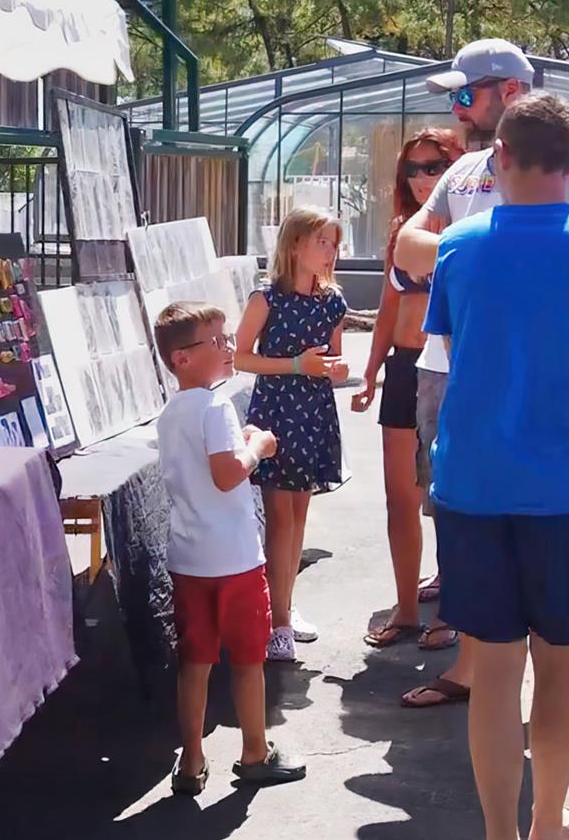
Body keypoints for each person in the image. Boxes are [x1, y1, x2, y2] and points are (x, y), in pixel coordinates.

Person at [427, 91, 569, 840]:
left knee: (492, 673)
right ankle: (549, 823)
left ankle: (499, 833)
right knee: (560, 667)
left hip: (474, 486)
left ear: (500, 159)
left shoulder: (457, 247)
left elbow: (459, 360)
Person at [390, 38, 569, 709]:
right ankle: (486, 661)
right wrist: (473, 251)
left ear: (509, 93)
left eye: (466, 93)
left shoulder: (555, 168)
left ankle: (557, 659)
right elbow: (405, 247)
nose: (457, 109)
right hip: (443, 370)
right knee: (460, 514)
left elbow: (526, 257)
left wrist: (452, 255)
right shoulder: (465, 175)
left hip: (514, 376)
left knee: (525, 522)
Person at [153, 301, 307, 794]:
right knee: (247, 659)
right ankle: (255, 750)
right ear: (182, 357)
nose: (228, 347)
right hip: (235, 559)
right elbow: (226, 475)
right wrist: (258, 446)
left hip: (189, 558)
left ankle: (192, 761)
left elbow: (205, 466)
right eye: (215, 341)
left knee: (194, 662)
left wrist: (238, 445)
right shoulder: (216, 404)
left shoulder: (170, 412)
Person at [350, 127, 465, 650]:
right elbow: (388, 307)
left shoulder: (472, 228)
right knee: (401, 498)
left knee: (450, 497)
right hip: (403, 365)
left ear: (457, 170)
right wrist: (371, 369)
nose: (421, 179)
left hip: (450, 369)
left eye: (433, 167)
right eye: (412, 169)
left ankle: (453, 612)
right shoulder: (403, 231)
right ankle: (405, 608)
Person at [234, 205, 349, 662]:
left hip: (314, 411)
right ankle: (276, 620)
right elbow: (240, 357)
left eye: (334, 243)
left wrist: (334, 370)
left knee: (299, 518)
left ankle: (282, 606)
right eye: (322, 241)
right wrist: (296, 365)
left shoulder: (333, 301)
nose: (330, 251)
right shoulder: (267, 299)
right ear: (295, 243)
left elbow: (336, 361)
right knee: (280, 518)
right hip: (278, 411)